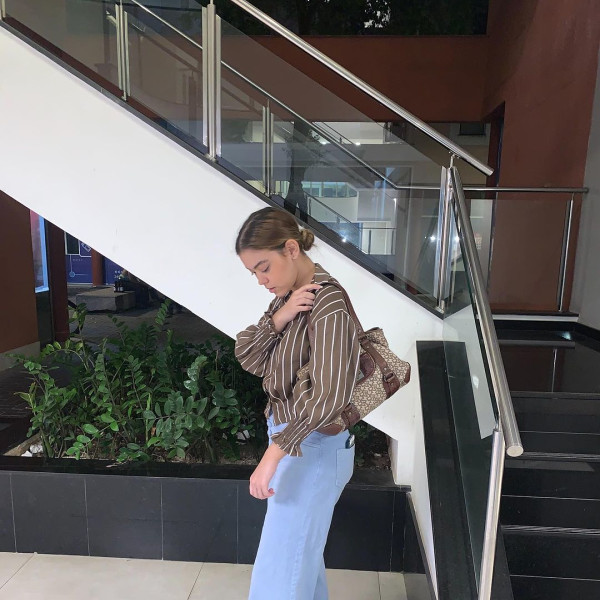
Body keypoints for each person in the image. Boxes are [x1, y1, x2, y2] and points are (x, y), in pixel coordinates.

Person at [234, 207, 361, 600]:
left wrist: (272, 456)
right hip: (298, 444)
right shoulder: (289, 298)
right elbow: (249, 356)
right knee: (298, 566)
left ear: (291, 249)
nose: (261, 280)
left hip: (312, 447)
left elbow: (329, 396)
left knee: (281, 575)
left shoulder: (327, 302)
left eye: (264, 267)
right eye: (253, 273)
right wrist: (281, 317)